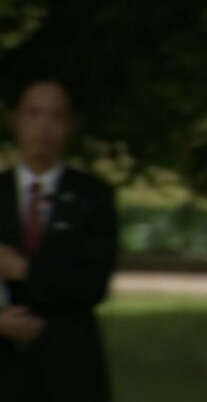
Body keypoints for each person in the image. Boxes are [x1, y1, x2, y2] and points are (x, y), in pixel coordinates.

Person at [0, 80, 117, 401]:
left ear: (71, 125)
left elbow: (93, 285)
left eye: (56, 116)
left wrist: (23, 271)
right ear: (15, 120)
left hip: (69, 369)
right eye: (33, 114)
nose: (44, 127)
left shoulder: (93, 197)